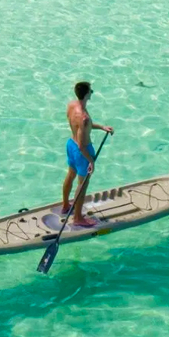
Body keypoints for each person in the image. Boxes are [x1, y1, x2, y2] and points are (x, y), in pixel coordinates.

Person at [60, 81, 114, 227]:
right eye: (91, 91)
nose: (92, 92)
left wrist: (102, 127)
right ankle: (78, 218)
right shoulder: (84, 117)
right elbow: (82, 144)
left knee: (70, 174)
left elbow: (81, 128)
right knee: (82, 185)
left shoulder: (72, 106)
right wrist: (91, 161)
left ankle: (65, 205)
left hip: (70, 145)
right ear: (87, 94)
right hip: (81, 151)